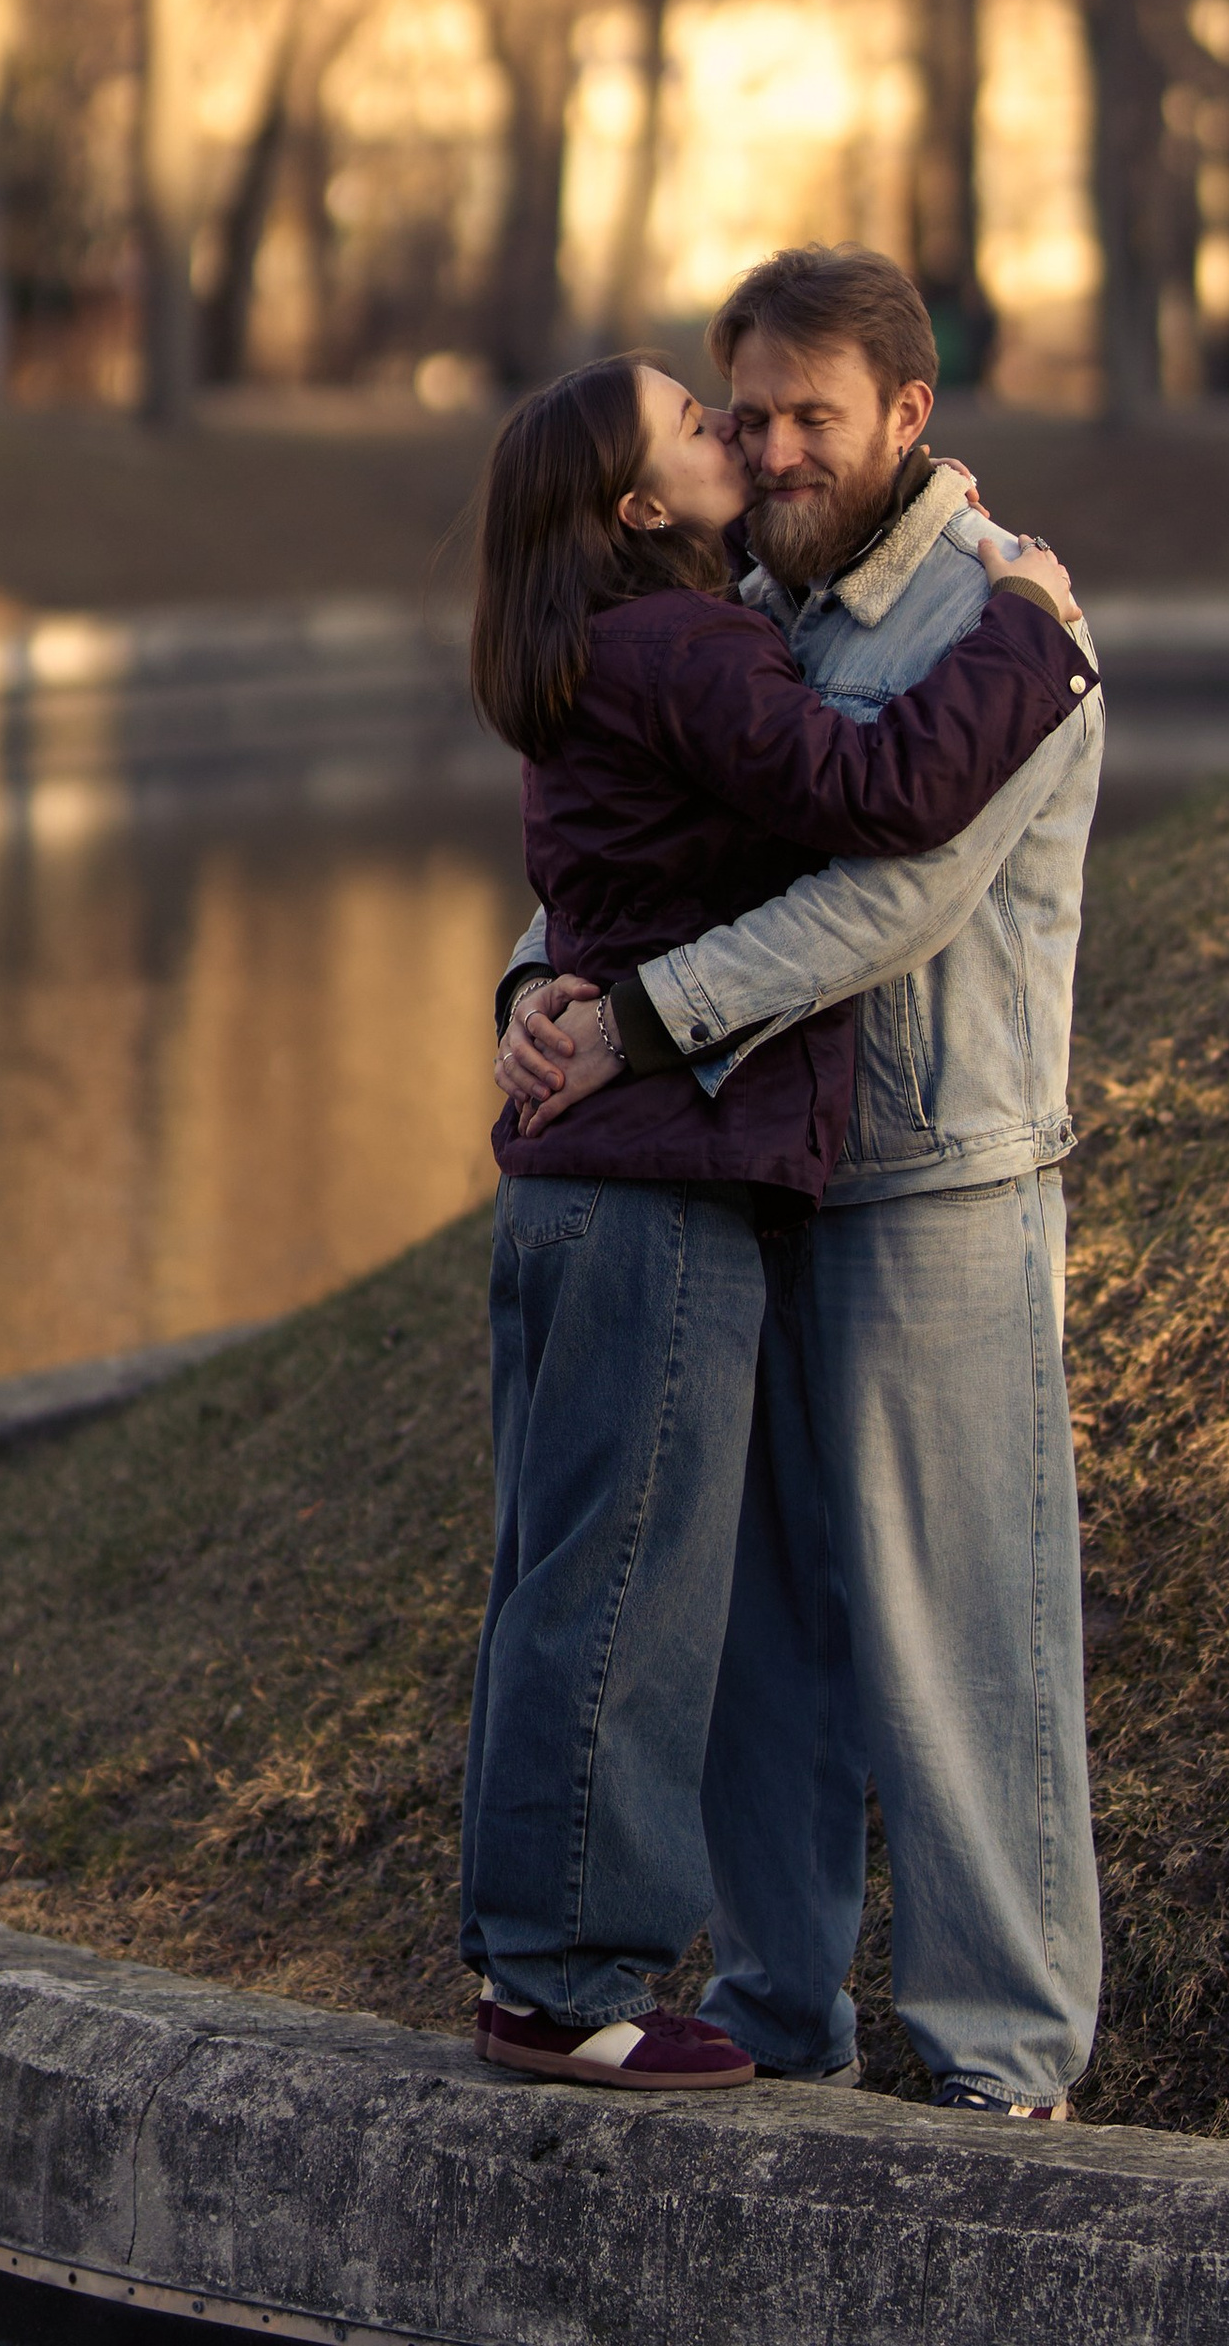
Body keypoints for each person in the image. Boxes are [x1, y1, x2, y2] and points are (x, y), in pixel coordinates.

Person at [498, 245, 1105, 2121]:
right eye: (739, 413)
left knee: (959, 1622)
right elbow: (641, 845)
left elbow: (891, 890)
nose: (766, 448)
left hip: (934, 1180)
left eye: (807, 418)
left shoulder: (1001, 621)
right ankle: (780, 2003)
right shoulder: (731, 600)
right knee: (755, 1633)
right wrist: (537, 985)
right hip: (748, 1174)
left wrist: (647, 1016)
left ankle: (1002, 2044)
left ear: (910, 416)